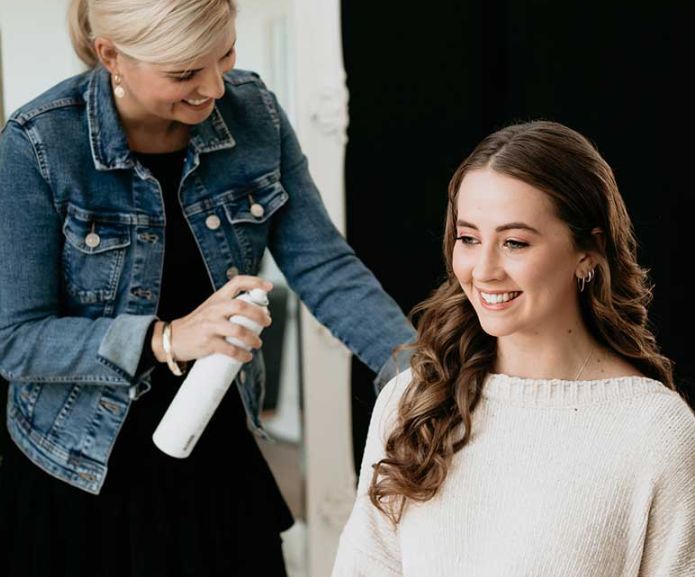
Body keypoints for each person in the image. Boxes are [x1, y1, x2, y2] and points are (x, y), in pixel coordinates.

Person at [0, 1, 415, 575]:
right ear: (112, 56)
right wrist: (167, 338)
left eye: (224, 56)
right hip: (79, 465)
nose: (215, 88)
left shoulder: (255, 113)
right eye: (184, 73)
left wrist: (417, 372)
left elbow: (325, 267)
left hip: (215, 448)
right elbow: (16, 340)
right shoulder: (37, 144)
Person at [332, 120, 695, 576]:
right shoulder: (411, 401)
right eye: (468, 238)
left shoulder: (655, 434)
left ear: (588, 251)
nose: (484, 269)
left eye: (514, 243)